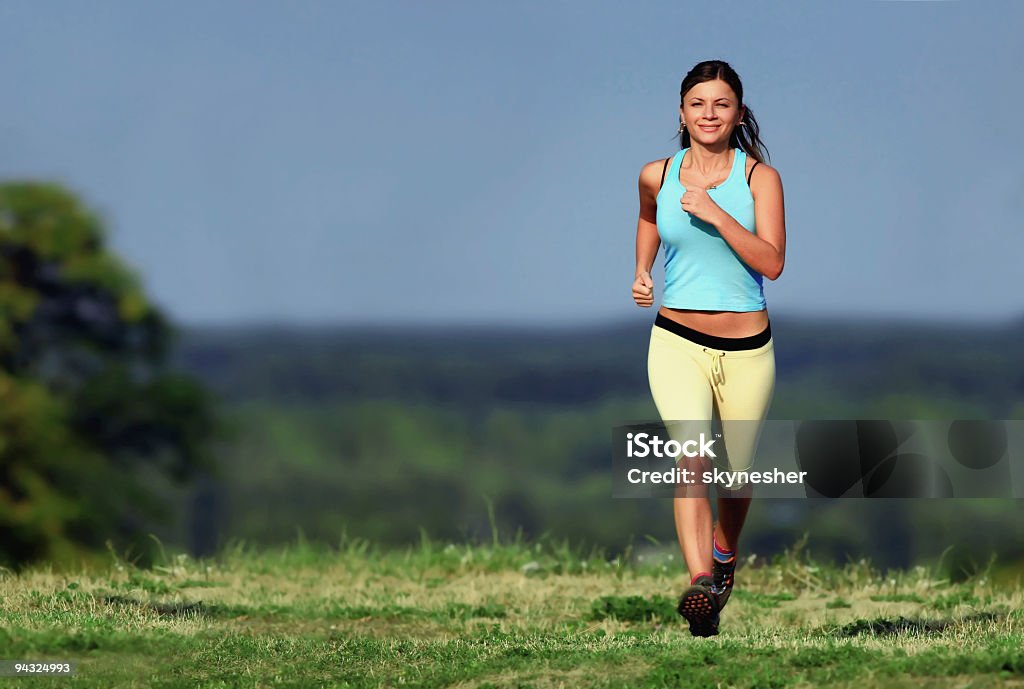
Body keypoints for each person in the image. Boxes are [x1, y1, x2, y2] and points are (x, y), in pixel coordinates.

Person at [632, 60, 786, 637]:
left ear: (739, 114)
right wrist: (642, 270)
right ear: (681, 113)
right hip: (676, 341)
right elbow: (649, 215)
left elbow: (772, 261)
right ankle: (702, 585)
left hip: (748, 347)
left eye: (721, 105)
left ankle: (724, 552)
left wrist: (716, 212)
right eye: (698, 104)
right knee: (691, 458)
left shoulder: (758, 179)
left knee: (737, 475)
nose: (709, 114)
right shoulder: (655, 173)